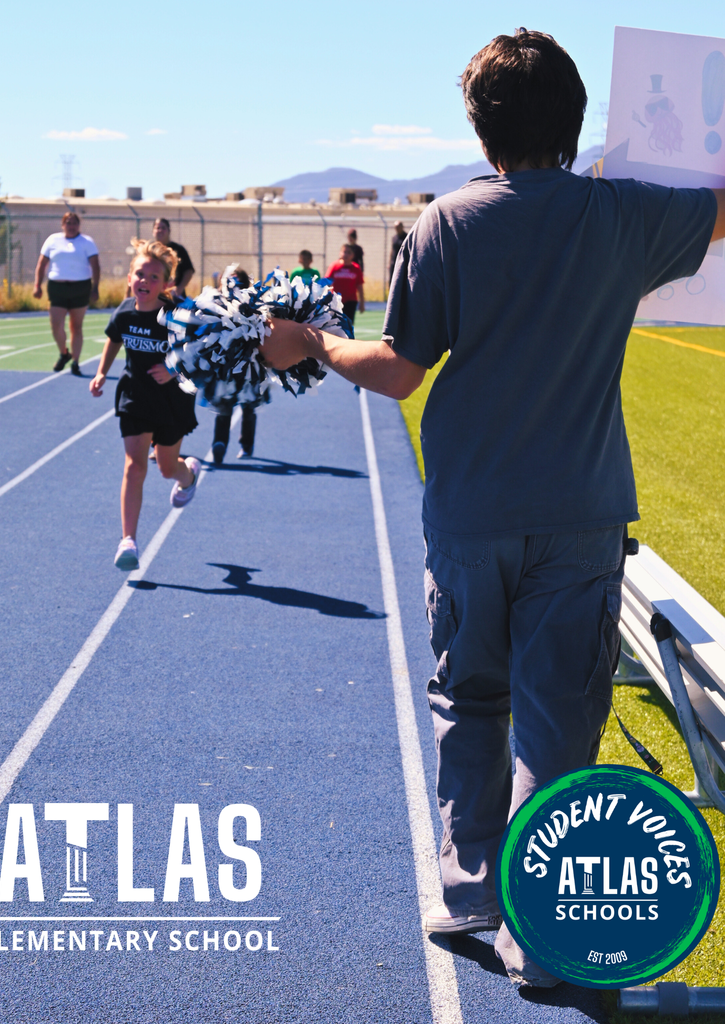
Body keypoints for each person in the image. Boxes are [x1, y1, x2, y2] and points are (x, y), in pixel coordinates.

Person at [260, 28, 725, 988]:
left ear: (478, 130)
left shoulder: (444, 222)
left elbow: (397, 371)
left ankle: (470, 889)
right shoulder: (623, 213)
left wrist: (314, 342)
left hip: (471, 511)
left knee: (469, 700)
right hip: (580, 514)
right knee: (558, 726)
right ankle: (541, 936)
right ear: (578, 120)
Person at [90, 239, 200, 570]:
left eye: (154, 277)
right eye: (140, 274)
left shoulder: (176, 316)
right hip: (135, 396)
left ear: (166, 284)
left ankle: (187, 475)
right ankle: (128, 540)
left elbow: (198, 351)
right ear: (129, 278)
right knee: (134, 467)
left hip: (172, 401)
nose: (145, 281)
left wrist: (172, 369)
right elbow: (114, 339)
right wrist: (101, 372)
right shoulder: (124, 312)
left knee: (165, 468)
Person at [207, 267, 269, 464]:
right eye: (229, 282)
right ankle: (219, 443)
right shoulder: (217, 304)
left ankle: (246, 444)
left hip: (251, 365)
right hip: (226, 365)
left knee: (248, 405)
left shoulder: (255, 306)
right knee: (224, 404)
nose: (233, 286)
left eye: (237, 283)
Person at [34, 212, 100, 376]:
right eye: (68, 223)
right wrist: (37, 285)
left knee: (76, 326)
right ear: (63, 225)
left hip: (80, 287)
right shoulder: (53, 240)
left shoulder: (87, 242)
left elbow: (95, 266)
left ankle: (76, 362)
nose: (71, 226)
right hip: (57, 288)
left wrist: (95, 288)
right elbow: (42, 264)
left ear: (79, 225)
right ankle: (64, 353)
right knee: (56, 324)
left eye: (74, 223)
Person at [152, 218, 194, 298]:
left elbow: (189, 271)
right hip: (155, 295)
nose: (160, 230)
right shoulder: (149, 250)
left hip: (174, 296)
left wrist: (180, 288)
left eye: (163, 228)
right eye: (158, 228)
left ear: (169, 231)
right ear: (153, 231)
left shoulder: (178, 249)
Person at [325, 245, 364, 323]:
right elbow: (327, 282)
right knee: (334, 323)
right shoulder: (334, 266)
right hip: (336, 300)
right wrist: (325, 299)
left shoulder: (356, 268)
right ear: (340, 253)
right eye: (344, 252)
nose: (346, 254)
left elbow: (360, 286)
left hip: (350, 301)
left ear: (353, 255)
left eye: (349, 252)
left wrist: (362, 303)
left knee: (348, 323)